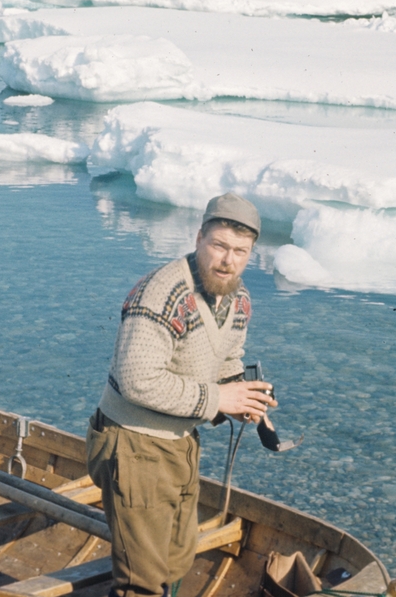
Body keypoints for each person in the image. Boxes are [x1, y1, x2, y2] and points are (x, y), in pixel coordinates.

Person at [86, 192, 274, 597]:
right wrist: (219, 400)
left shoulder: (238, 297)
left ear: (251, 253)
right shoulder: (163, 292)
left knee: (176, 560)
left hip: (180, 443)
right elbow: (138, 380)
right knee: (144, 580)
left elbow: (228, 357)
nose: (228, 260)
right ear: (199, 238)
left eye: (240, 251)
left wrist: (244, 397)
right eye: (220, 246)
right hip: (132, 444)